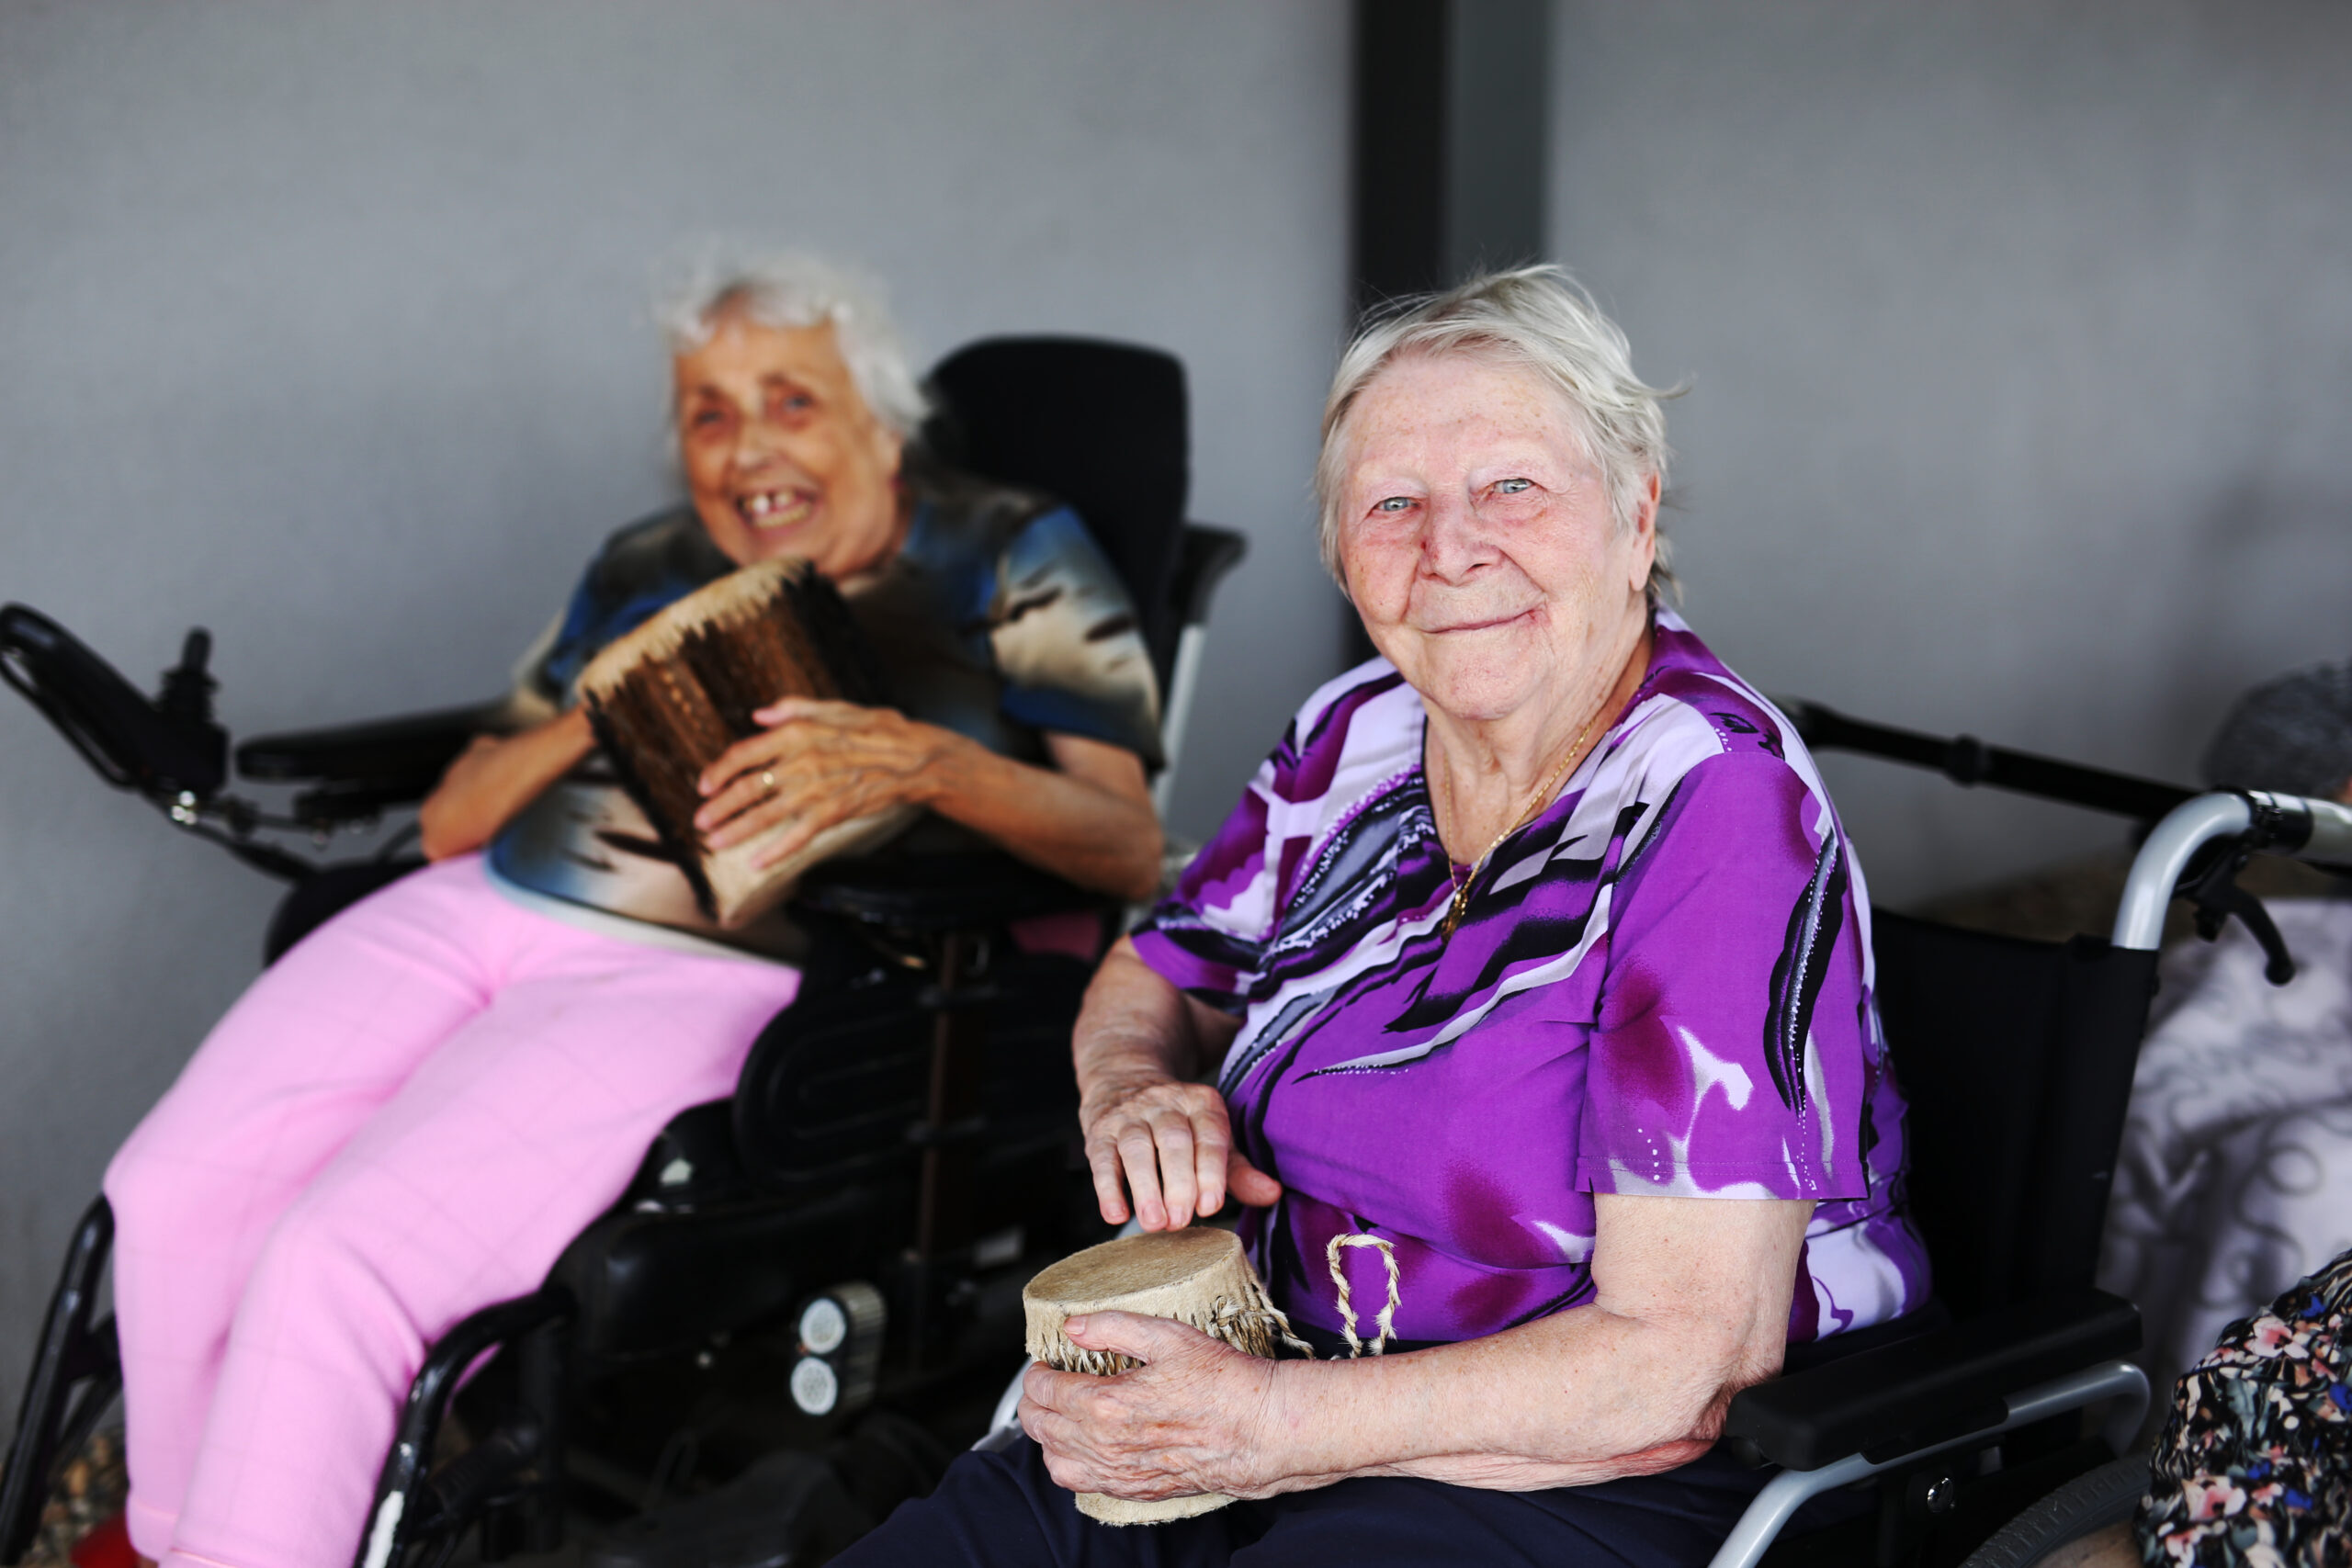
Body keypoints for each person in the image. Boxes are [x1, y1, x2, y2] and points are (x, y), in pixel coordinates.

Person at [836, 265, 1929, 1568]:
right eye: (1393, 503)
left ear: (1636, 511)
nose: (1450, 549)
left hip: (1572, 1474)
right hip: (1248, 1383)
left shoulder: (1714, 809)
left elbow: (1682, 1365)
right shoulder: (1354, 733)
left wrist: (1268, 1427)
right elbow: (1160, 968)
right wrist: (1134, 1084)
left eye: (1512, 487)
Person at [100, 254, 1166, 1568]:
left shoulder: (1006, 548)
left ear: (880, 425)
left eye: (791, 401)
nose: (747, 447)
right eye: (709, 414)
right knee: (169, 1194)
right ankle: (170, 1540)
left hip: (711, 960)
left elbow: (1128, 844)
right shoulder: (649, 559)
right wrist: (605, 699)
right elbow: (450, 821)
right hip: (481, 901)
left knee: (338, 1261)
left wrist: (922, 761)